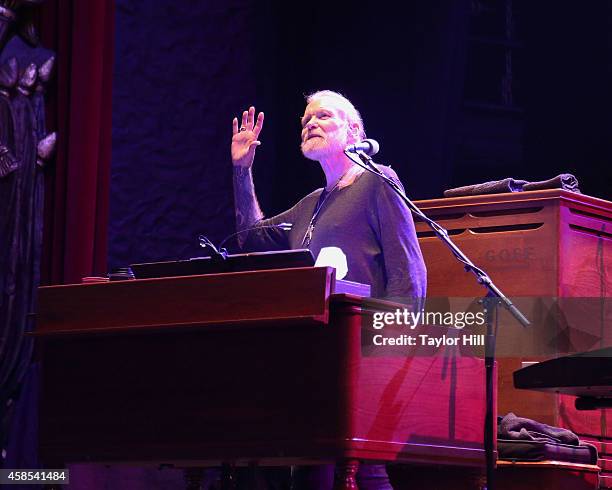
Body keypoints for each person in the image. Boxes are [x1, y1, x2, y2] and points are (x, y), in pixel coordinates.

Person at [229, 91, 427, 490]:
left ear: (354, 130)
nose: (310, 124)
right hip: (318, 355)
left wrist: (392, 352)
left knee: (362, 467)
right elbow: (249, 238)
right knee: (315, 468)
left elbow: (409, 272)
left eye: (323, 116)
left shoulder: (378, 183)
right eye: (305, 121)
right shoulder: (311, 204)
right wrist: (241, 171)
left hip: (363, 354)